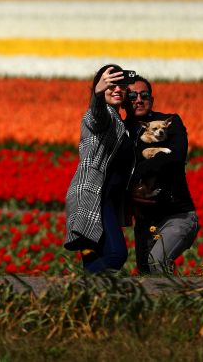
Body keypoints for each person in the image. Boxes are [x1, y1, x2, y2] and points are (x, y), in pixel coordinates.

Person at [64, 64, 136, 273]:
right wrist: (96, 95)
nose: (116, 89)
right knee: (116, 255)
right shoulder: (97, 116)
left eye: (121, 85)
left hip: (108, 200)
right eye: (110, 86)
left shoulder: (120, 122)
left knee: (98, 260)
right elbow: (96, 116)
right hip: (93, 196)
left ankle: (87, 300)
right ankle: (75, 287)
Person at [127, 76, 199, 274]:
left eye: (144, 95)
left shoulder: (170, 123)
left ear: (152, 99)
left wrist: (134, 176)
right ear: (124, 100)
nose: (139, 99)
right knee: (147, 277)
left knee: (157, 263)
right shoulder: (121, 132)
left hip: (177, 215)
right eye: (132, 95)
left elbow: (175, 157)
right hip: (144, 221)